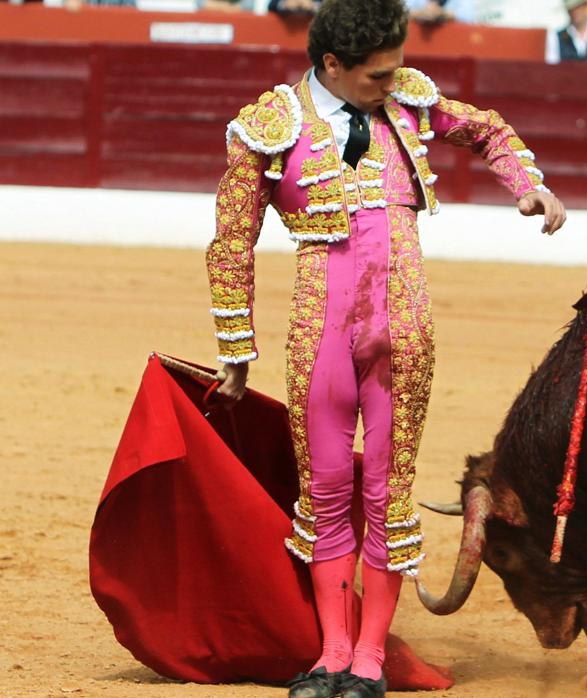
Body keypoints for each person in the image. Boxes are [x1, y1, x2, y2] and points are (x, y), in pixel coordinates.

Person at [205, 0, 566, 695]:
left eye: (395, 68)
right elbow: (232, 241)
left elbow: (489, 131)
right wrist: (235, 346)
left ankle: (368, 661)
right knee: (327, 490)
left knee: (386, 492)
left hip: (403, 332)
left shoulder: (407, 100)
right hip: (322, 331)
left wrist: (528, 187)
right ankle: (331, 653)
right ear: (331, 66)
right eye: (375, 75)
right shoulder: (270, 127)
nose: (391, 83)